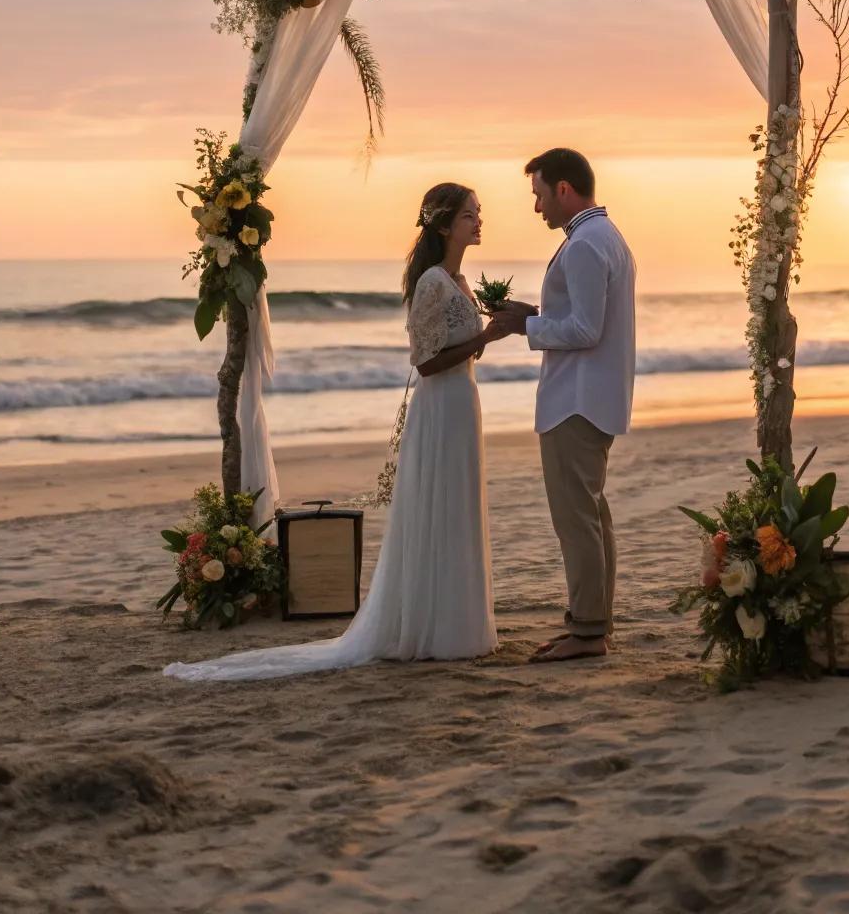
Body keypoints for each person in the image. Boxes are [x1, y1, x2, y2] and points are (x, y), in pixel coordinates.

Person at [165, 183, 505, 682]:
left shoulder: (459, 280)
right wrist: (486, 335)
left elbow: (464, 350)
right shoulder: (433, 282)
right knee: (442, 506)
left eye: (479, 214)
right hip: (440, 407)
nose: (480, 222)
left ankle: (457, 622)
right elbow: (426, 363)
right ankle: (437, 628)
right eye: (471, 215)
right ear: (442, 224)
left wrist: (489, 332)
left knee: (458, 506)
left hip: (461, 404)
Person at [495, 148, 636, 664]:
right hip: (593, 394)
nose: (536, 208)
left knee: (577, 518)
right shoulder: (604, 236)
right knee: (592, 516)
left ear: (563, 189)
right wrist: (533, 313)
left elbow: (584, 330)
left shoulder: (584, 244)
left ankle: (589, 630)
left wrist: (523, 327)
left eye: (537, 194)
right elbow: (583, 315)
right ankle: (592, 622)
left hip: (575, 400)